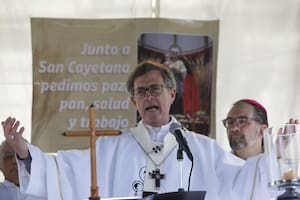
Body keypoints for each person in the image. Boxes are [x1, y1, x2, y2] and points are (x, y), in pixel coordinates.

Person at [1, 61, 292, 200]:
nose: (149, 97)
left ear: (172, 95)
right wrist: (27, 153)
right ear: (134, 101)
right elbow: (63, 171)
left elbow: (242, 182)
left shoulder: (203, 148)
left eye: (155, 89)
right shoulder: (110, 147)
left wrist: (275, 156)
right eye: (142, 92)